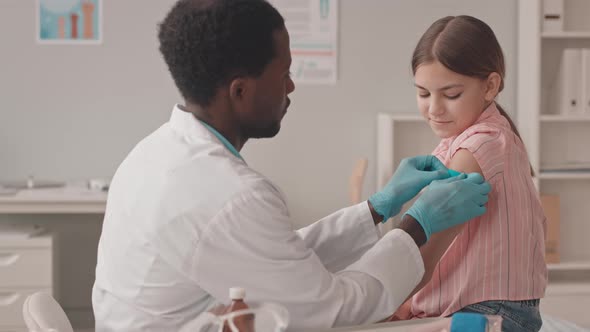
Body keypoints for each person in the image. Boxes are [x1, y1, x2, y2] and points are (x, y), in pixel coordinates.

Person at [91, 2, 491, 331]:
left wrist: (378, 207)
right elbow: (333, 310)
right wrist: (417, 225)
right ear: (240, 90)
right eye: (283, 74)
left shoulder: (155, 152)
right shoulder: (230, 196)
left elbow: (281, 261)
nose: (291, 87)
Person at [391, 15, 548, 332]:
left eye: (450, 94)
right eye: (423, 93)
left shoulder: (478, 148)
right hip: (486, 308)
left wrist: (381, 301)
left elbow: (424, 255)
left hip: (487, 311)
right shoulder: (480, 139)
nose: (434, 108)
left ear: (490, 86)